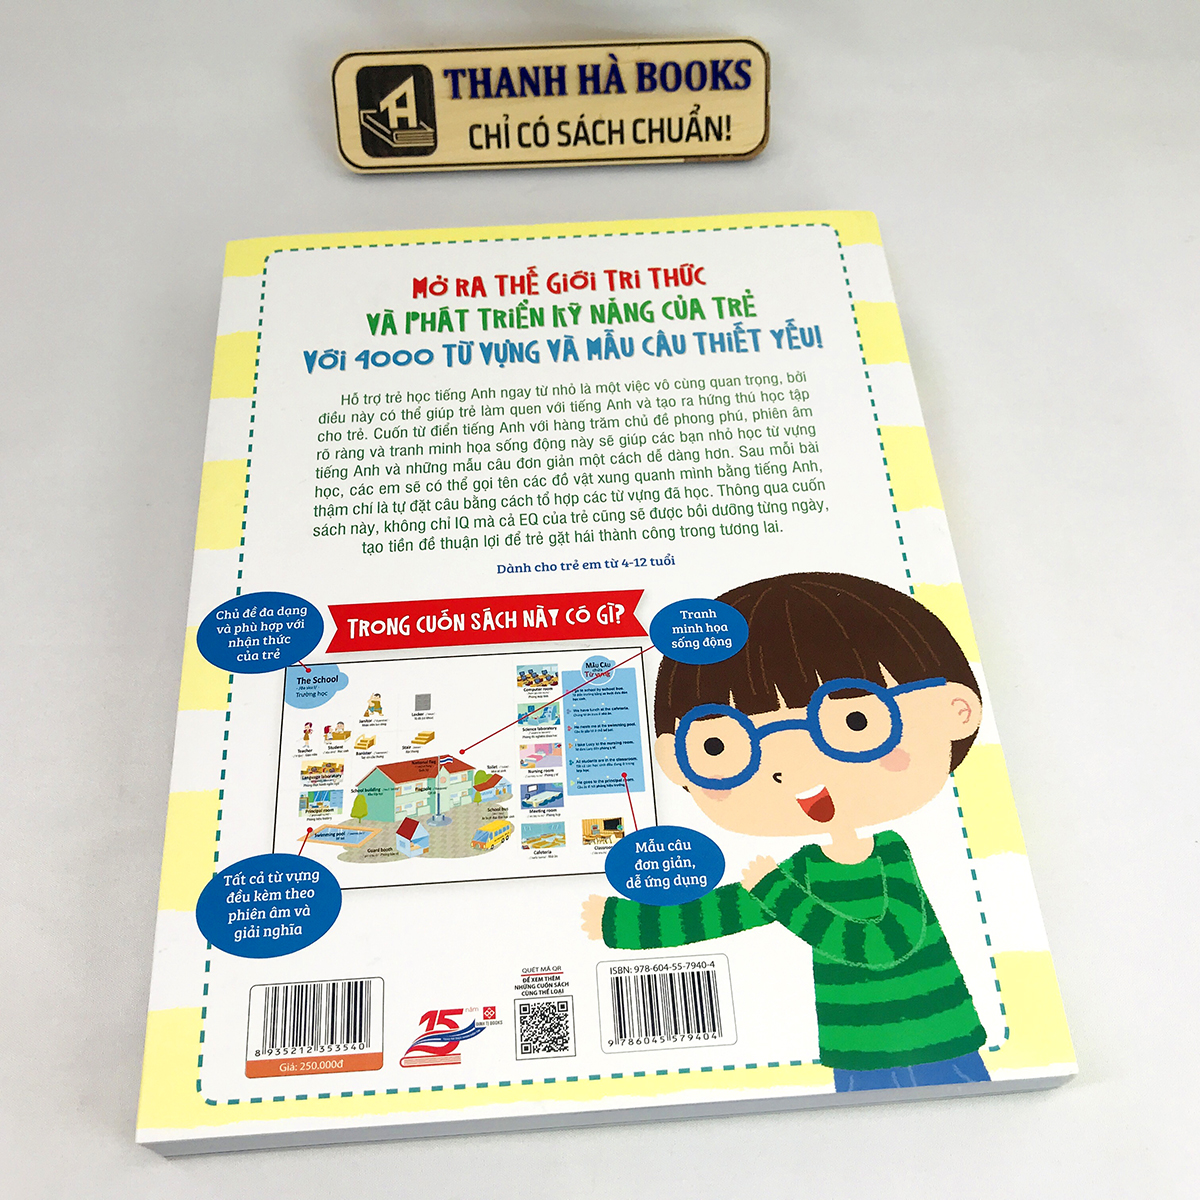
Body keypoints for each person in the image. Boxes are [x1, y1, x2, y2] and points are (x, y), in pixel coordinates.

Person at [581, 572, 990, 1092]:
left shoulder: (889, 856)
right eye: (719, 746)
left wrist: (781, 894)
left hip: (941, 1044)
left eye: (855, 722)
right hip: (856, 1056)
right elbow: (723, 913)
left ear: (956, 711)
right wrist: (618, 923)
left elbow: (885, 944)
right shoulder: (804, 872)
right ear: (674, 761)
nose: (791, 765)